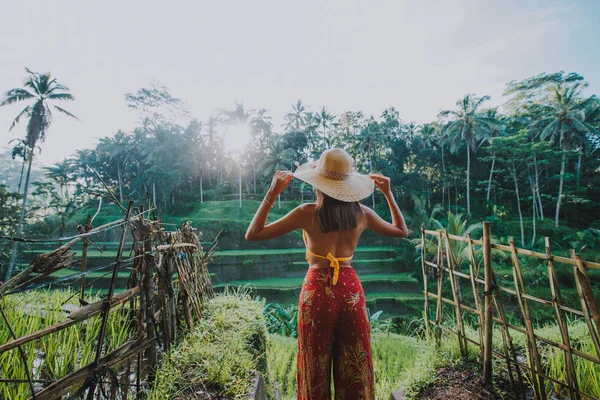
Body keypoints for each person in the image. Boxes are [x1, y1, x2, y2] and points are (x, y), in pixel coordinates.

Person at [245, 148, 408, 400]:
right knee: (355, 364)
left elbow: (253, 234)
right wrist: (388, 193)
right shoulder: (362, 214)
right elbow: (401, 230)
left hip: (316, 291)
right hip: (350, 290)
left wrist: (272, 193)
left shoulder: (306, 213)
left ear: (319, 183)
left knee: (314, 366)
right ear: (349, 185)